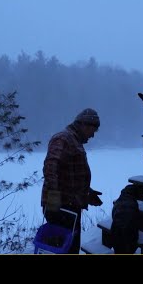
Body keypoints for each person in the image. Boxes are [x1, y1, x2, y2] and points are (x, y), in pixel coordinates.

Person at [41, 108, 103, 254]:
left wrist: (87, 192)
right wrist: (54, 201)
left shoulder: (73, 140)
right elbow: (50, 167)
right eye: (93, 130)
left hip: (69, 206)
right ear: (84, 125)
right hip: (60, 207)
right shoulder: (63, 138)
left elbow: (71, 174)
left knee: (70, 247)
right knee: (63, 249)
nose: (93, 135)